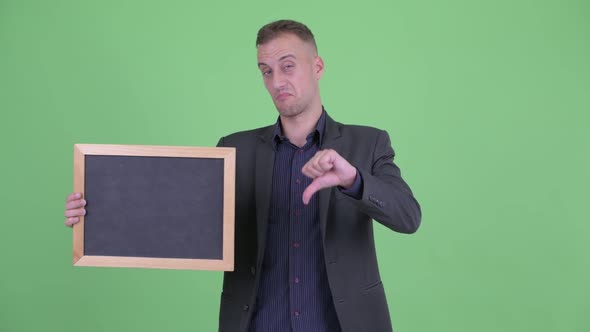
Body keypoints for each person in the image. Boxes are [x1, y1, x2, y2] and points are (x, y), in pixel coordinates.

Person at [64, 20, 421, 332]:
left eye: (287, 66)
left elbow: (408, 216)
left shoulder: (368, 143)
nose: (277, 81)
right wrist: (96, 216)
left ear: (318, 67)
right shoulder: (233, 150)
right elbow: (180, 221)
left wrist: (353, 179)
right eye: (266, 70)